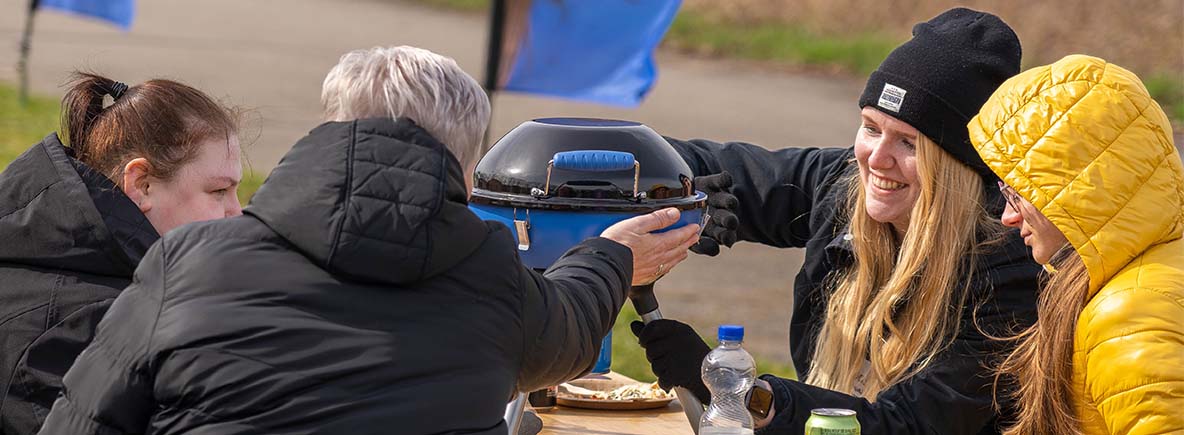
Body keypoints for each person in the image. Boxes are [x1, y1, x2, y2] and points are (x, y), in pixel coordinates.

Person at [36, 46, 700, 435]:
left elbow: (80, 421)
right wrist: (612, 254)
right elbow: (572, 325)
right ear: (465, 167)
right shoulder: (496, 280)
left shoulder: (186, 261)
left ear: (335, 126)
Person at [631, 8, 1043, 434]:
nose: (876, 159)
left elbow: (908, 424)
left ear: (957, 164)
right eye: (870, 128)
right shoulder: (842, 184)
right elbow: (716, 165)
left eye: (909, 143)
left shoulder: (1011, 270)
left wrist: (742, 393)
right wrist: (678, 191)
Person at [0, 73, 243, 434]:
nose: (237, 212)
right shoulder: (77, 326)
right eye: (219, 191)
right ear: (141, 185)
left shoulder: (77, 267)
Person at [970, 55, 1184, 435]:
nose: (1007, 216)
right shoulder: (1157, 263)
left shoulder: (1129, 319)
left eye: (1017, 193)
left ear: (1080, 192)